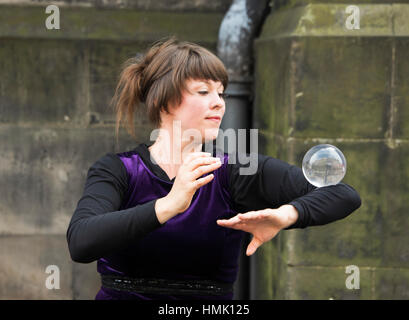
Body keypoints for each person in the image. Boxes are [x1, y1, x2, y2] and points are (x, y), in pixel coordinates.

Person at [66, 37, 362, 300]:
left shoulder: (233, 171)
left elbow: (343, 194)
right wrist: (168, 205)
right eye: (204, 91)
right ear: (163, 100)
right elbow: (81, 242)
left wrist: (284, 215)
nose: (219, 103)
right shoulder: (118, 170)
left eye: (221, 93)